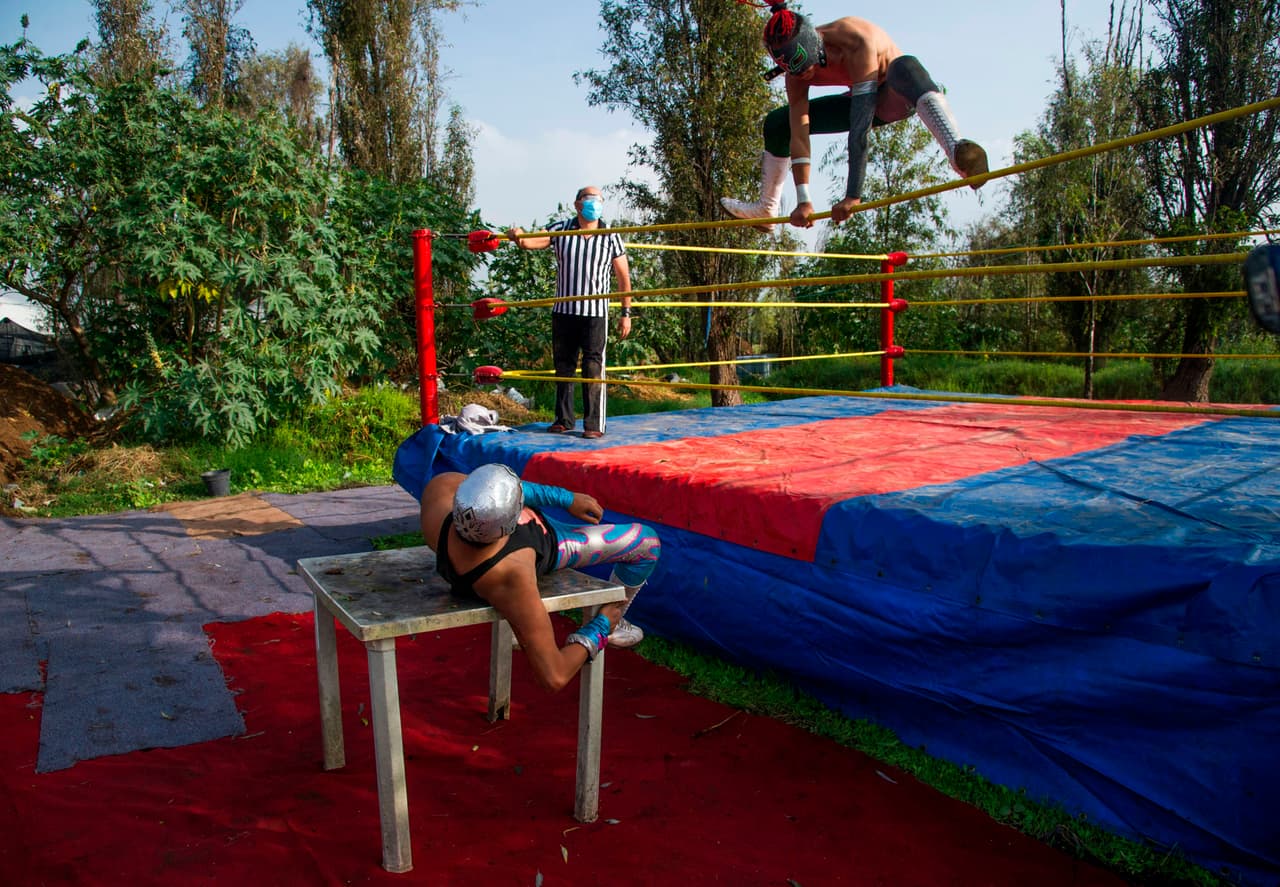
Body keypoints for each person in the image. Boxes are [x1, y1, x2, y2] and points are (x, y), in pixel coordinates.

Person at [721, 3, 988, 231]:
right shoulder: (796, 77)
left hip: (894, 96)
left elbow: (861, 125)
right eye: (793, 71)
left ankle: (959, 152)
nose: (802, 76)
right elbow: (799, 133)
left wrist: (852, 195)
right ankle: (767, 207)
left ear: (813, 44)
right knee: (778, 123)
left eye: (805, 67)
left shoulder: (855, 41)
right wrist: (803, 201)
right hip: (855, 100)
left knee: (904, 66)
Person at [420, 463, 660, 690]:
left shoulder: (441, 490)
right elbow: (554, 676)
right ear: (513, 523)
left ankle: (523, 624)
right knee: (647, 543)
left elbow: (493, 487)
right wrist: (601, 627)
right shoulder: (511, 575)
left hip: (530, 535)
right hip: (554, 543)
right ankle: (617, 623)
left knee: (497, 484)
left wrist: (566, 498)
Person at [506, 187, 633, 439]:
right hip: (564, 310)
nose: (595, 203)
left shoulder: (610, 235)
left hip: (595, 312)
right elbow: (533, 242)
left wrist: (626, 312)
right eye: (589, 198)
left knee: (593, 367)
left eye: (598, 199)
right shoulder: (561, 229)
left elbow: (623, 276)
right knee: (563, 365)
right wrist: (519, 237)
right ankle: (564, 419)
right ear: (577, 204)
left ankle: (594, 424)